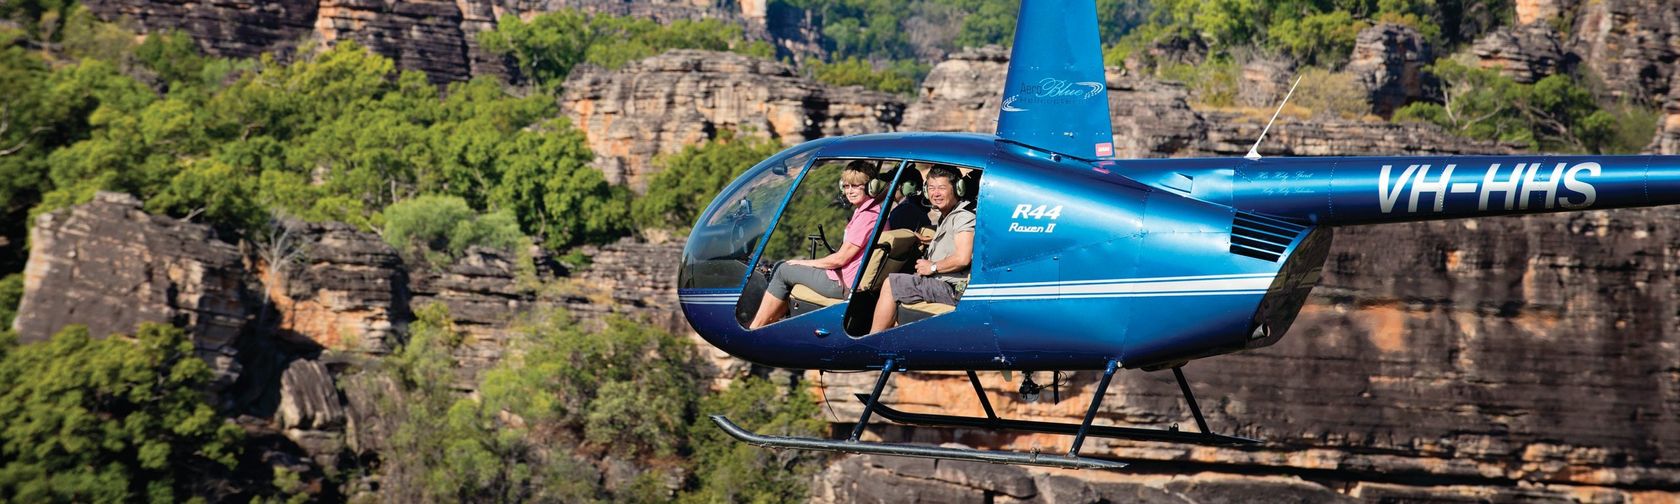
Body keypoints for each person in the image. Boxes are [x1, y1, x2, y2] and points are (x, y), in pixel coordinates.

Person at [749, 160, 885, 329]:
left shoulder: (867, 217)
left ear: (872, 186)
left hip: (843, 283)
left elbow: (840, 259)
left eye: (856, 186)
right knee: (781, 267)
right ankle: (775, 324)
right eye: (847, 186)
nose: (850, 191)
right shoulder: (875, 211)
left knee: (782, 269)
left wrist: (804, 262)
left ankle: (756, 327)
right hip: (850, 279)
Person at [870, 165, 974, 333]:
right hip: (943, 283)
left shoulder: (963, 216)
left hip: (951, 288)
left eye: (941, 188)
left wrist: (932, 266)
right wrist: (933, 241)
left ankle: (871, 341)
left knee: (891, 284)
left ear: (957, 189)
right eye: (931, 188)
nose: (935, 194)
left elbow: (963, 258)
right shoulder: (949, 214)